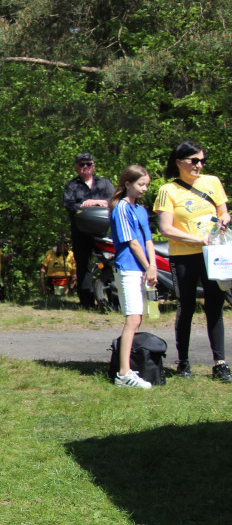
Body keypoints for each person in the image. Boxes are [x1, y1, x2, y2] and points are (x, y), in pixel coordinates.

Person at [154, 140, 230, 382]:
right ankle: (183, 362)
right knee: (185, 307)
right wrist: (197, 240)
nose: (199, 165)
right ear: (179, 162)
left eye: (202, 160)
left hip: (213, 255)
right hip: (184, 256)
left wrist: (224, 221)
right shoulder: (168, 190)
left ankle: (220, 363)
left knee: (215, 308)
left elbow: (223, 211)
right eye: (194, 160)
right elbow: (165, 229)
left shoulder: (212, 182)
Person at [109, 165, 156, 389]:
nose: (144, 189)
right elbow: (132, 243)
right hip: (128, 268)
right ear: (127, 184)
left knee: (137, 319)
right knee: (132, 319)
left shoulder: (141, 210)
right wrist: (148, 266)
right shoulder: (121, 208)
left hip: (143, 268)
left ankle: (129, 365)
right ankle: (123, 373)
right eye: (140, 185)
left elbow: (148, 241)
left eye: (146, 185)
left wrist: (153, 266)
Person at [64, 153, 115, 309]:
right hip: (80, 231)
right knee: (83, 265)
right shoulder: (71, 185)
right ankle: (87, 302)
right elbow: (69, 205)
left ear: (93, 166)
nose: (84, 167)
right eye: (81, 165)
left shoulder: (105, 183)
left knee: (109, 263)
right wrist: (85, 204)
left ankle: (113, 299)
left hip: (102, 231)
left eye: (88, 164)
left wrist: (100, 202)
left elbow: (115, 200)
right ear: (76, 167)